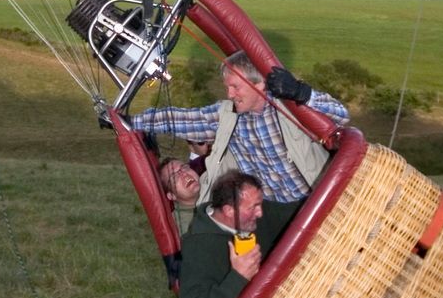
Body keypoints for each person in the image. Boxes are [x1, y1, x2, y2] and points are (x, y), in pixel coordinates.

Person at [131, 52, 348, 204]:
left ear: (260, 83)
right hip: (274, 208)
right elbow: (179, 120)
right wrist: (129, 123)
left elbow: (341, 116)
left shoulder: (286, 103)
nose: (229, 94)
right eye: (228, 87)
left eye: (235, 87)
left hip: (319, 194)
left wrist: (302, 93)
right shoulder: (228, 115)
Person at [178, 170, 301, 298]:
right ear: (229, 211)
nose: (260, 213)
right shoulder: (197, 248)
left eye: (260, 203)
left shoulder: (255, 215)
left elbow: (296, 212)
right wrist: (238, 276)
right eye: (253, 208)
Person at [158, 156, 202, 232]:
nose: (184, 174)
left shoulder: (212, 180)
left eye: (184, 168)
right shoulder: (186, 228)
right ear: (172, 195)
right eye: (174, 177)